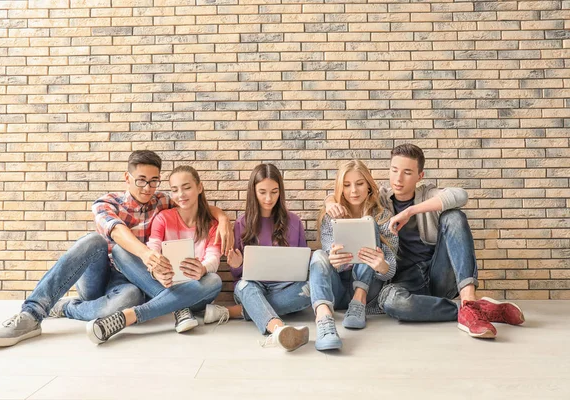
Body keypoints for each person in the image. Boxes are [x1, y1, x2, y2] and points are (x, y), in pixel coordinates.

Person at [0, 151, 232, 347]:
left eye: (153, 181)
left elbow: (193, 204)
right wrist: (147, 254)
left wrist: (222, 219)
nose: (147, 188)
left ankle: (77, 309)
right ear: (127, 178)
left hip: (137, 283)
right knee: (96, 241)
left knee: (130, 298)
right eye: (141, 181)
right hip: (102, 276)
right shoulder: (106, 202)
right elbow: (117, 232)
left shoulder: (163, 200)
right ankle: (33, 313)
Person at [325, 144, 525, 339]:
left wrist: (411, 211)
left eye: (407, 172)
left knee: (453, 216)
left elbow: (460, 195)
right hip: (404, 281)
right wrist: (330, 203)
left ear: (420, 176)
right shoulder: (382, 200)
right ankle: (471, 309)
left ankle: (468, 298)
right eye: (394, 170)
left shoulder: (428, 194)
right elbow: (348, 193)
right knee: (392, 303)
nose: (399, 179)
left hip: (439, 275)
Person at [86, 166, 226, 343]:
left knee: (214, 280)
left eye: (187, 187)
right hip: (162, 283)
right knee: (121, 250)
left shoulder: (212, 225)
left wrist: (203, 269)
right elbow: (153, 248)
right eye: (175, 190)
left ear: (199, 187)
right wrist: (155, 271)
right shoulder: (163, 217)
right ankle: (180, 310)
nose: (181, 194)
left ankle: (129, 316)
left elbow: (213, 257)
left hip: (195, 290)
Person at [203, 164, 311, 352]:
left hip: (285, 287)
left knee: (310, 291)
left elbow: (302, 263)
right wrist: (237, 265)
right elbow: (238, 275)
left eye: (274, 192)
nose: (268, 198)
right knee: (245, 286)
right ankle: (278, 329)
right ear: (253, 191)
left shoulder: (294, 222)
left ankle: (237, 312)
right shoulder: (242, 223)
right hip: (252, 286)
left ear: (280, 192)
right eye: (262, 192)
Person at [310, 160, 398, 351]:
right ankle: (324, 321)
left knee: (367, 223)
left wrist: (381, 265)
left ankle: (359, 300)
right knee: (317, 255)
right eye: (347, 185)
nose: (354, 191)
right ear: (340, 189)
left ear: (368, 185)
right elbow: (328, 257)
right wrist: (334, 260)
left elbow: (389, 270)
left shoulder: (384, 217)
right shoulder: (330, 217)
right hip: (339, 290)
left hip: (369, 291)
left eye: (359, 183)